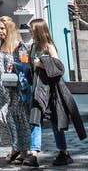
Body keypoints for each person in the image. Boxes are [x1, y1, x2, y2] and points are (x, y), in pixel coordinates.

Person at [25, 18, 86, 167]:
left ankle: (64, 152)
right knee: (35, 121)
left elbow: (59, 68)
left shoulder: (48, 46)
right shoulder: (32, 46)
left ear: (38, 30)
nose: (30, 32)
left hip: (51, 91)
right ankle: (33, 154)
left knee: (55, 122)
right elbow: (32, 69)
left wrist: (42, 64)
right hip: (37, 91)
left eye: (32, 30)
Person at [0, 15, 31, 164]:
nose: (0, 31)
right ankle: (16, 146)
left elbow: (26, 65)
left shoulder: (19, 45)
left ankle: (22, 150)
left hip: (16, 89)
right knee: (1, 117)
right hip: (1, 88)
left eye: (2, 28)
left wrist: (16, 66)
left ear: (9, 29)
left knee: (18, 118)